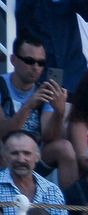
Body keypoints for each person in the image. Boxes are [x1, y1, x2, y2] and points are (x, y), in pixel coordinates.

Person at [0, 33, 72, 183]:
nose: (36, 68)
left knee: (65, 148)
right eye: (29, 61)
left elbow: (49, 137)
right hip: (7, 151)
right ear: (13, 60)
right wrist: (29, 105)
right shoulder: (1, 85)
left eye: (41, 63)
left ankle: (70, 206)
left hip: (34, 154)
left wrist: (59, 112)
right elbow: (3, 132)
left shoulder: (44, 89)